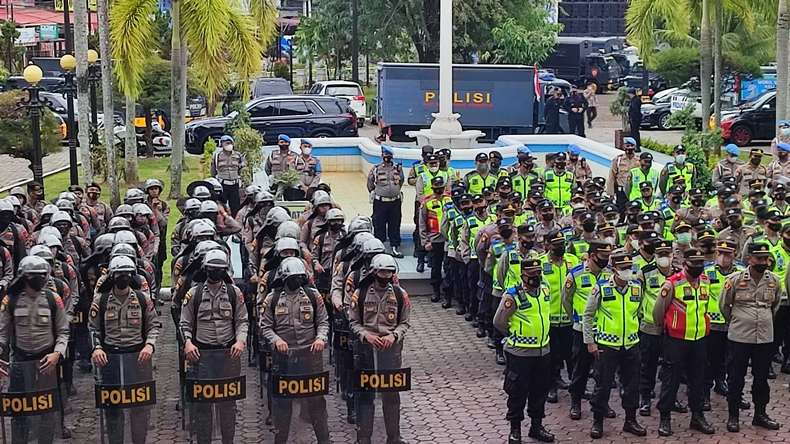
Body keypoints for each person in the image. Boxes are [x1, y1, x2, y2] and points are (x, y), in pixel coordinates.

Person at [180, 250, 248, 444]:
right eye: (212, 268)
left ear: (225, 270)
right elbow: (184, 324)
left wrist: (240, 341)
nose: (215, 272)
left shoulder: (234, 293)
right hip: (202, 356)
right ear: (205, 269)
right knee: (203, 405)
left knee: (228, 404)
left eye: (219, 269)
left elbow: (242, 321)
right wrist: (188, 343)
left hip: (228, 355)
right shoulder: (194, 293)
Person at [259, 258, 331, 444]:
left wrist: (320, 338)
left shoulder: (313, 296)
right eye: (292, 278)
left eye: (299, 277)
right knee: (283, 404)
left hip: (311, 357)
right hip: (284, 358)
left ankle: (324, 440)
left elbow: (323, 321)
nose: (296, 281)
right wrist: (277, 340)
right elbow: (265, 326)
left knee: (316, 402)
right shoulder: (272, 299)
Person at [89, 256, 158, 444]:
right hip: (110, 358)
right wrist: (96, 348)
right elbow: (93, 328)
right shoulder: (101, 300)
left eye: (127, 273)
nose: (124, 276)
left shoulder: (142, 299)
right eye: (119, 273)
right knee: (113, 407)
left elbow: (153, 326)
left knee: (139, 407)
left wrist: (150, 345)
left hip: (137, 358)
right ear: (112, 275)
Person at [0, 256, 69, 444]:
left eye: (42, 275)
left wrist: (57, 353)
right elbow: (2, 333)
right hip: (21, 361)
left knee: (48, 412)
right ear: (24, 276)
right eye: (34, 275)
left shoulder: (53, 299)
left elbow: (63, 332)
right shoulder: (11, 300)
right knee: (19, 410)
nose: (39, 279)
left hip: (47, 362)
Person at [347, 254, 411, 444]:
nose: (386, 275)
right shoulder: (360, 293)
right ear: (374, 272)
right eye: (382, 272)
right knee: (365, 396)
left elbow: (404, 322)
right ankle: (363, 438)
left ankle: (394, 437)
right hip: (365, 350)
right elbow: (353, 322)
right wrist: (366, 335)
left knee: (391, 395)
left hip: (391, 351)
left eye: (389, 272)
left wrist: (394, 335)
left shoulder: (400, 294)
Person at [719, 241, 782, 432]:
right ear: (749, 259)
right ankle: (733, 416)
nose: (762, 262)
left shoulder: (774, 280)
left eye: (765, 258)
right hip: (740, 337)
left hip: (764, 338)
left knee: (761, 378)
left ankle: (760, 414)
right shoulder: (735, 279)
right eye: (758, 258)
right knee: (735, 377)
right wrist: (738, 321)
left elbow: (775, 307)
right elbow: (724, 306)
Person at [652, 248, 714, 436]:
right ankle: (665, 417)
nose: (698, 267)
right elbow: (658, 311)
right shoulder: (672, 284)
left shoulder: (705, 281)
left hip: (699, 339)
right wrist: (665, 330)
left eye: (700, 263)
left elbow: (705, 308)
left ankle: (697, 416)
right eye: (694, 264)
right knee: (671, 380)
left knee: (697, 379)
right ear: (685, 264)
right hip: (676, 340)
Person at [584, 253, 646, 439]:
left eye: (629, 268)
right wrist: (590, 341)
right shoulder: (601, 288)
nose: (627, 272)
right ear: (614, 270)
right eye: (623, 268)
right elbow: (588, 315)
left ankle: (630, 420)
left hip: (631, 344)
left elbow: (639, 312)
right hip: (607, 344)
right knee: (603, 384)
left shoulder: (636, 288)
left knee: (632, 384)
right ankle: (598, 420)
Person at [494, 258, 555, 443]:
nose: (536, 278)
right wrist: (515, 335)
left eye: (538, 274)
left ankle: (536, 426)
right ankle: (515, 429)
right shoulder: (512, 296)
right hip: (520, 353)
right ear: (523, 276)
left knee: (540, 390)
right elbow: (499, 321)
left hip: (542, 351)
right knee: (517, 392)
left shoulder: (545, 291)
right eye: (532, 275)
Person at [562, 240, 614, 421]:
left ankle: (602, 403)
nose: (606, 260)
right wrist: (576, 320)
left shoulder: (610, 274)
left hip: (604, 330)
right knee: (581, 368)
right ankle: (575, 402)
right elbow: (566, 300)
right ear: (592, 256)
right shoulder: (575, 274)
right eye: (602, 256)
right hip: (582, 330)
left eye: (608, 257)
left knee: (603, 371)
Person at [367, 146, 405, 258]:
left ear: (392, 156)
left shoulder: (398, 169)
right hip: (380, 202)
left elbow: (401, 181)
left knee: (395, 224)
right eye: (385, 154)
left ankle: (395, 247)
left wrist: (394, 191)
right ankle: (379, 247)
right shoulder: (376, 169)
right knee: (379, 224)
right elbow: (370, 184)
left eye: (389, 155)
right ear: (382, 155)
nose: (387, 157)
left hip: (395, 202)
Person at [419, 176, 452, 301]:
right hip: (434, 240)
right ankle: (436, 291)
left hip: (448, 240)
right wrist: (426, 241)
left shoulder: (450, 199)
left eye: (441, 185)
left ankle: (448, 294)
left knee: (449, 268)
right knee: (435, 267)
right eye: (436, 185)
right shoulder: (427, 202)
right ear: (432, 187)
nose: (439, 187)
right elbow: (422, 223)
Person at [210, 134, 245, 216]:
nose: (229, 145)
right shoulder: (217, 156)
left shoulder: (237, 155)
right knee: (222, 207)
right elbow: (213, 170)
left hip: (234, 185)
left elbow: (241, 168)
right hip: (222, 185)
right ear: (222, 144)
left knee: (235, 207)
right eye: (226, 143)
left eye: (230, 143)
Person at [608, 138, 641, 215]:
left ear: (635, 147)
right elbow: (612, 177)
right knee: (621, 213)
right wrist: (611, 194)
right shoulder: (618, 160)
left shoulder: (639, 160)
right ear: (623, 146)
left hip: (634, 192)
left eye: (632, 146)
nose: (629, 148)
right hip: (621, 192)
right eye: (627, 145)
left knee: (634, 214)